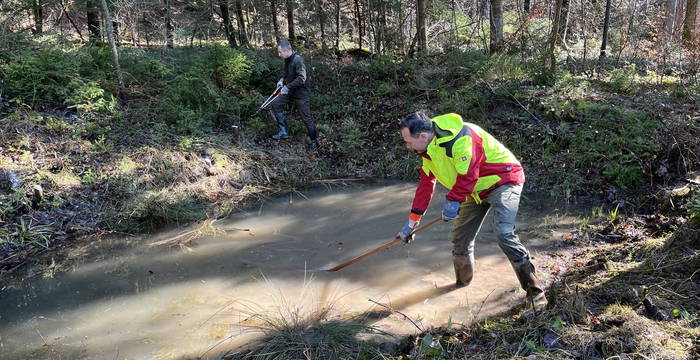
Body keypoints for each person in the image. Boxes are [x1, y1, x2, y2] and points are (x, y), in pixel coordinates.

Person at [396, 111, 548, 311]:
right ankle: (461, 287)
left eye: (408, 141)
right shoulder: (428, 151)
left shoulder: (462, 138)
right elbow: (426, 185)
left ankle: (536, 296)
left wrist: (452, 203)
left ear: (423, 136)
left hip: (503, 181)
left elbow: (468, 176)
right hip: (473, 191)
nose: (407, 146)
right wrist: (411, 223)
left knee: (504, 234)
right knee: (460, 239)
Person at [269, 40, 319, 153]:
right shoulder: (287, 59)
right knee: (276, 104)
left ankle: (314, 142)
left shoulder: (298, 60)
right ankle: (283, 131)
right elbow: (286, 74)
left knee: (306, 118)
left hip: (301, 93)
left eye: (280, 52)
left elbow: (302, 78)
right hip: (290, 91)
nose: (279, 54)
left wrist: (287, 87)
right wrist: (282, 80)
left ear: (287, 50)